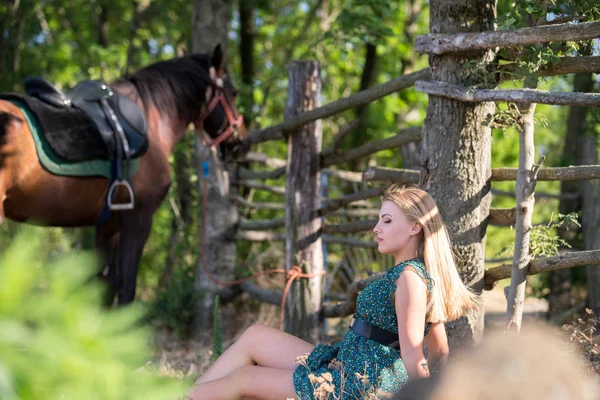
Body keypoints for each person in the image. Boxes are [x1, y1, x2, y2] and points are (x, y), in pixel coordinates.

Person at [188, 185, 478, 400]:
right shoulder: (413, 275)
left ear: (415, 227)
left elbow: (416, 358)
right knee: (255, 336)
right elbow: (440, 350)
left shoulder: (411, 280)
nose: (376, 228)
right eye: (379, 219)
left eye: (387, 221)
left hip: (356, 383)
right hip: (344, 359)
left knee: (245, 379)